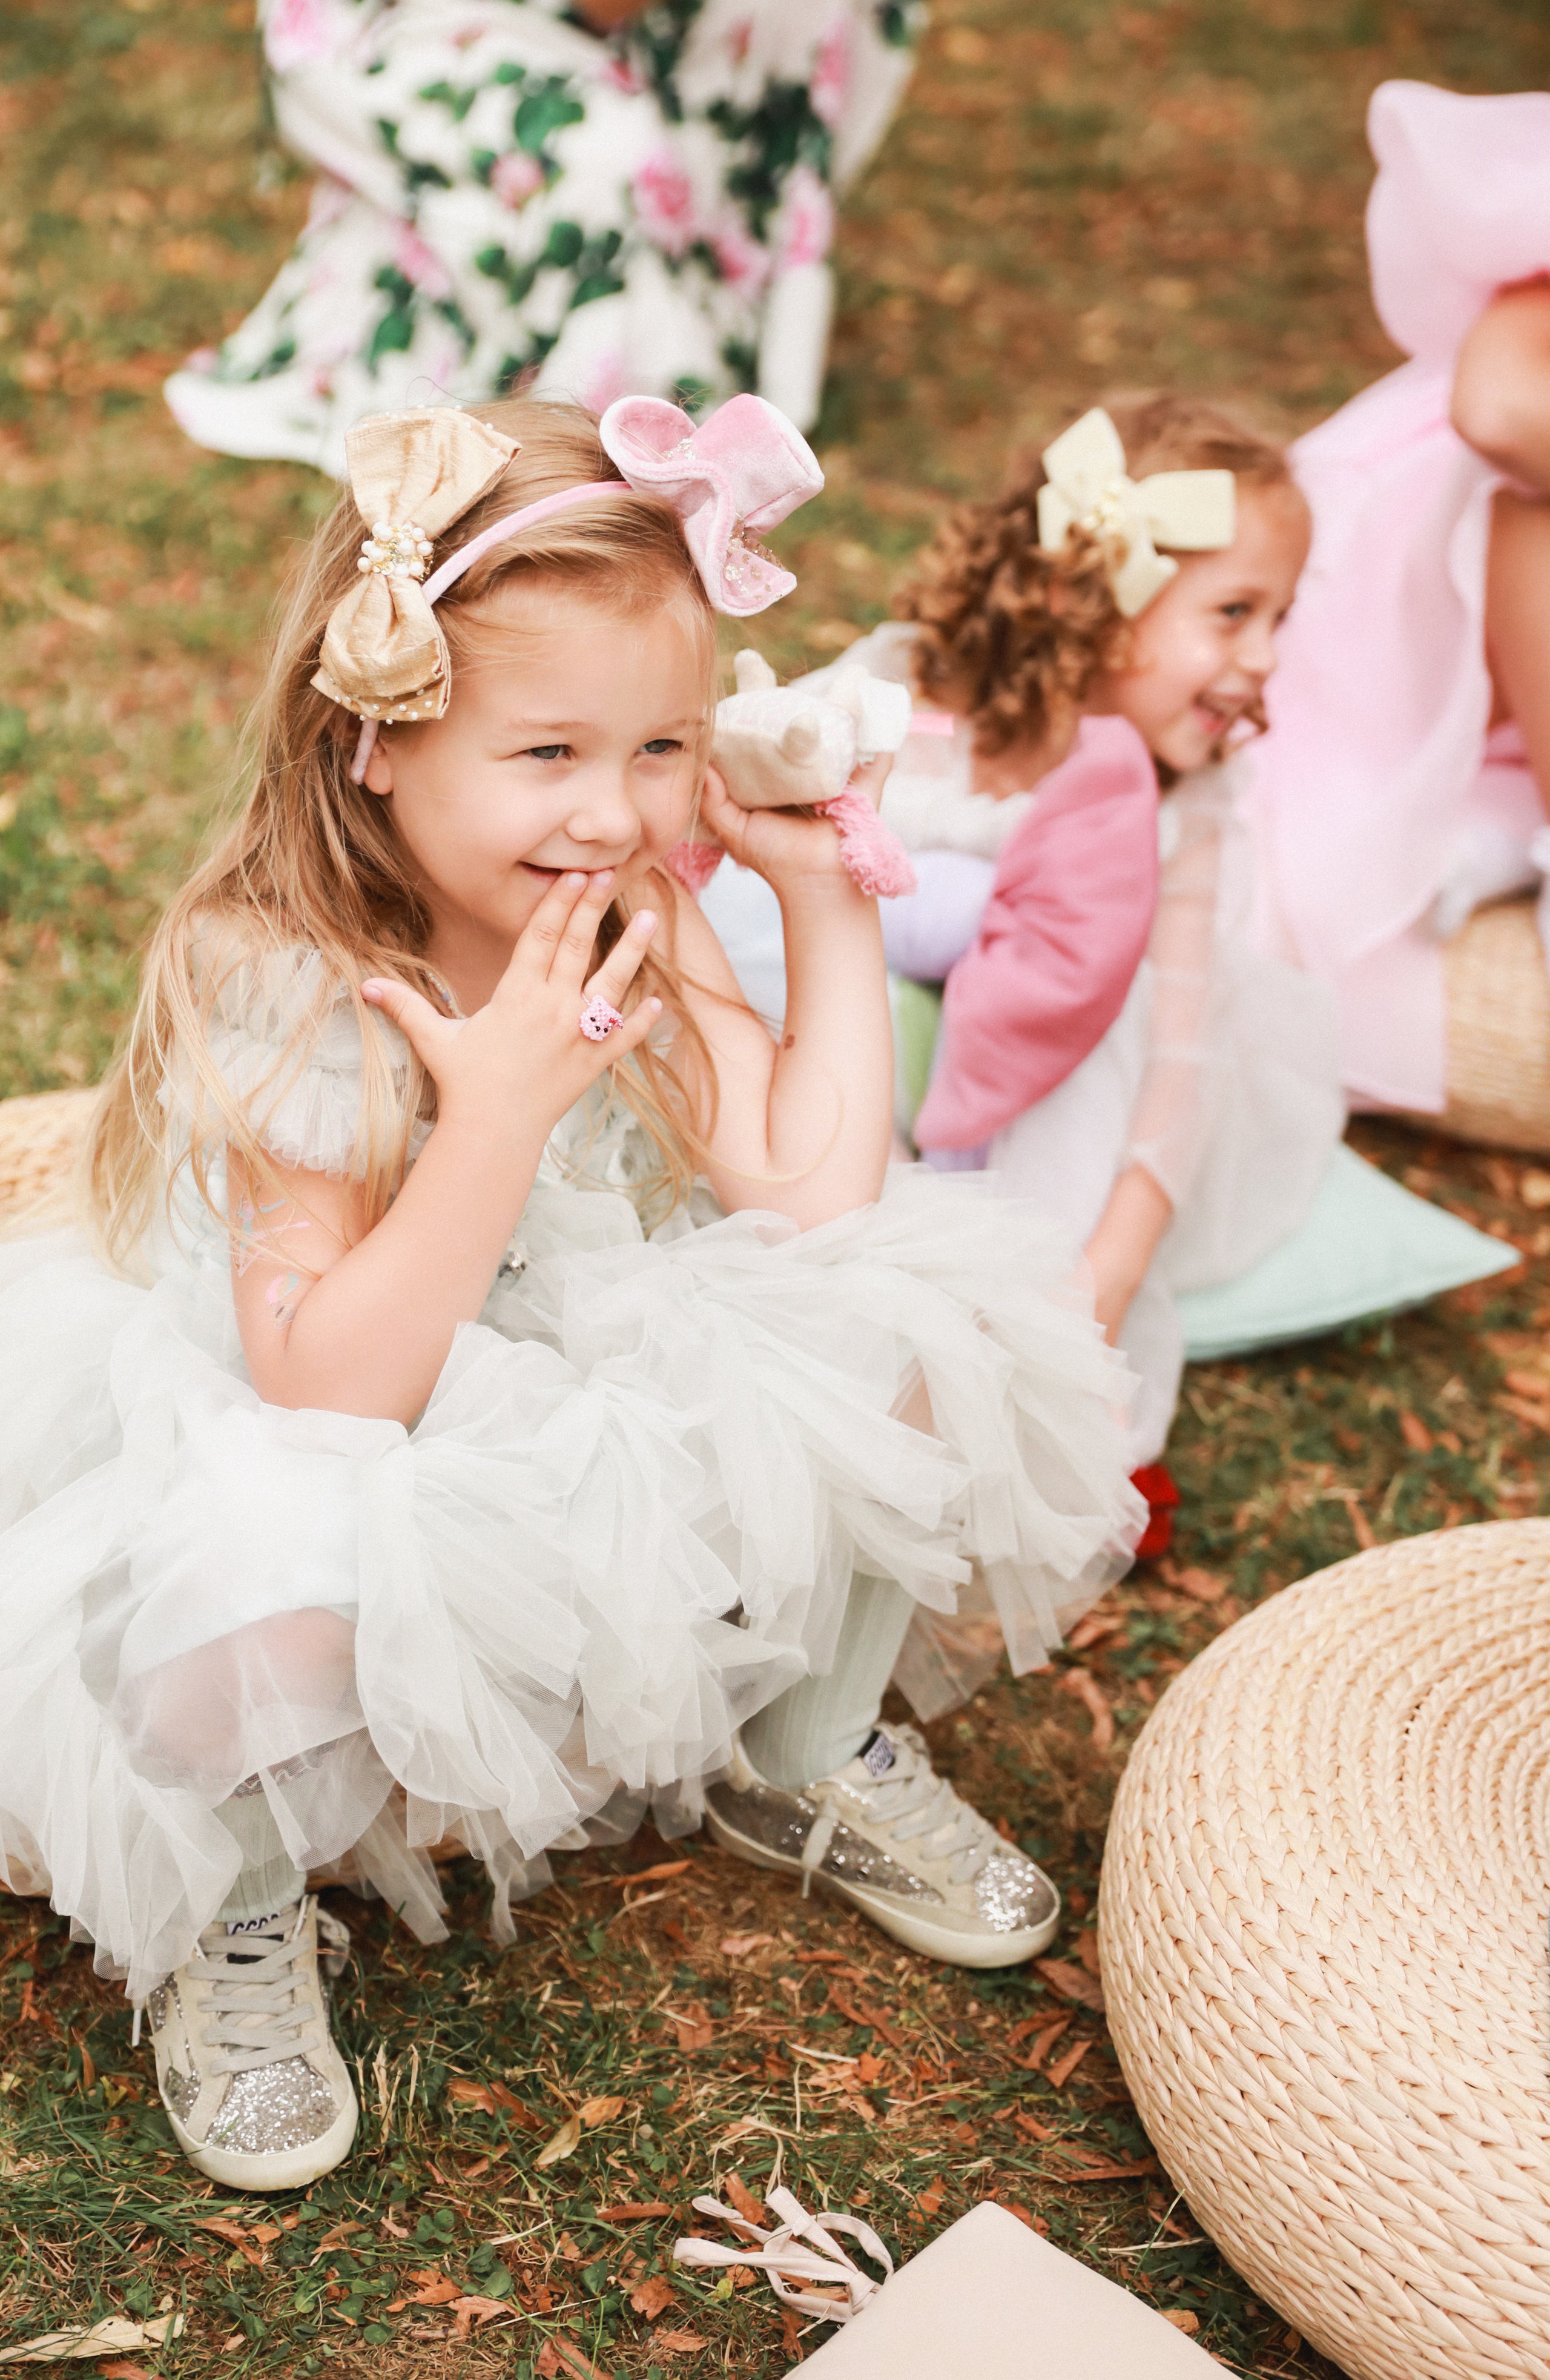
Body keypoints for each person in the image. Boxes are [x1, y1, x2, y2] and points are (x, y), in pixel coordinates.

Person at [0, 392, 1139, 2193]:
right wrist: (501, 1107)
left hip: (555, 1356)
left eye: (663, 746)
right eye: (549, 752)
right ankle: (233, 1905)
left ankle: (800, 1746)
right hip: (312, 1405)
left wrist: (817, 894)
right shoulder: (289, 970)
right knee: (256, 1573)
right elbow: (324, 1391)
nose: (617, 811)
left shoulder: (623, 891)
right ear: (376, 738)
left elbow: (801, 1181)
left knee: (910, 1306)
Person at [705, 397, 1335, 1467]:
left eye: (1281, 617)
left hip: (1044, 1090)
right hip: (839, 1039)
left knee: (1120, 990)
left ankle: (1003, 1311)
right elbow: (741, 804)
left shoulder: (1182, 801)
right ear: (1085, 592)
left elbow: (1176, 1073)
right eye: (1233, 614)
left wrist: (1102, 1282)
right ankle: (849, 1227)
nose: (1268, 656)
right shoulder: (907, 695)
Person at [165, 0, 920, 474]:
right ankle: (570, 394)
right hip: (396, 29)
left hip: (622, 38)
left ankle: (678, 325)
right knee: (601, 150)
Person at [1248, 80, 1550, 1122]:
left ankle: (1496, 839)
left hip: (1491, 686)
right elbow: (1501, 414)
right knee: (1537, 509)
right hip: (1385, 610)